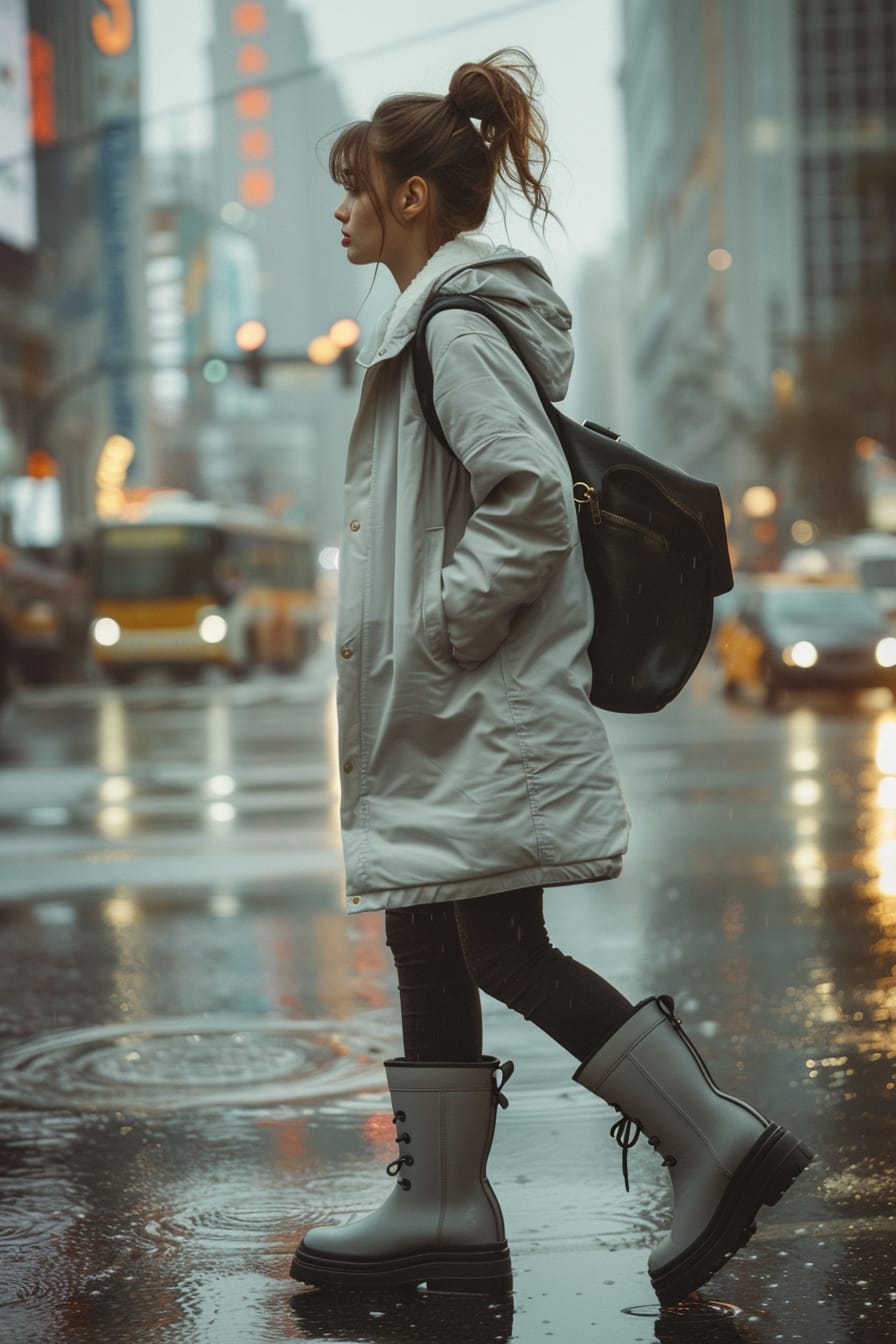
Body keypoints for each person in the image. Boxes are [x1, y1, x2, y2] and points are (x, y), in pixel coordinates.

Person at [290, 49, 813, 1307]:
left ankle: (706, 1139)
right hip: (456, 703)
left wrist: (437, 636)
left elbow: (524, 500)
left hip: (470, 697)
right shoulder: (437, 324)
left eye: (355, 186)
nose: (342, 208)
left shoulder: (452, 329)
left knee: (498, 944)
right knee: (432, 921)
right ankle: (443, 1204)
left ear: (413, 197)